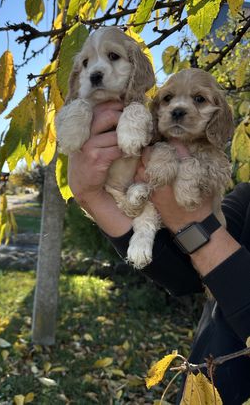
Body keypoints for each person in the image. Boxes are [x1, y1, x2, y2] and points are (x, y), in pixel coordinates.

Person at [67, 100, 250, 404]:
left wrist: (192, 226)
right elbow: (185, 273)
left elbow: (203, 241)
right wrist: (94, 196)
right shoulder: (248, 198)